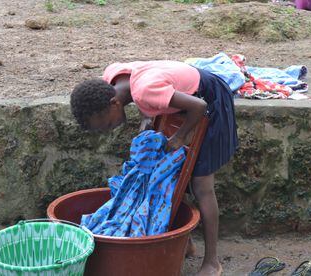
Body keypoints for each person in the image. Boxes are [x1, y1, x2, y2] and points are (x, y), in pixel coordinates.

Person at [70, 60, 239, 276]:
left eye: (107, 124)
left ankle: (212, 262)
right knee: (172, 176)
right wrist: (147, 116)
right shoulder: (112, 79)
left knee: (201, 186)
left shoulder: (145, 91)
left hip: (210, 101)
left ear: (114, 103)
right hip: (185, 102)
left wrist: (179, 137)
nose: (108, 130)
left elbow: (199, 107)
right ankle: (184, 245)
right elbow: (147, 85)